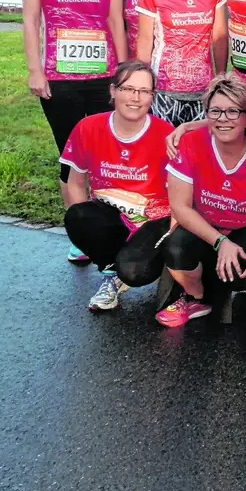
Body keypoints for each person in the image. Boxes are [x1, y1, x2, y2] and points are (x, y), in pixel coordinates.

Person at [18, 0, 129, 264]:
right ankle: (80, 233)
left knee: (106, 154)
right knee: (70, 156)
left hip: (103, 77)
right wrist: (35, 70)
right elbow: (31, 21)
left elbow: (115, 20)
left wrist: (124, 73)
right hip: (60, 79)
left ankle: (112, 226)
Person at [142, 75, 246, 327]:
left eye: (233, 111)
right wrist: (220, 242)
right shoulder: (189, 143)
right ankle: (197, 298)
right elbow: (179, 206)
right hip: (208, 223)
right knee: (175, 249)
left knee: (243, 275)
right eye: (216, 111)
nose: (223, 119)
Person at [63, 61, 174, 307]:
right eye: (128, 89)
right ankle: (112, 272)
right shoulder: (88, 128)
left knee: (135, 271)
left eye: (144, 91)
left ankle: (161, 265)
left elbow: (182, 197)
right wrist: (90, 233)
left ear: (152, 96)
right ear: (113, 91)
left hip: (154, 220)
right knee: (77, 216)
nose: (136, 98)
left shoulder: (166, 135)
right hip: (113, 217)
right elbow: (75, 182)